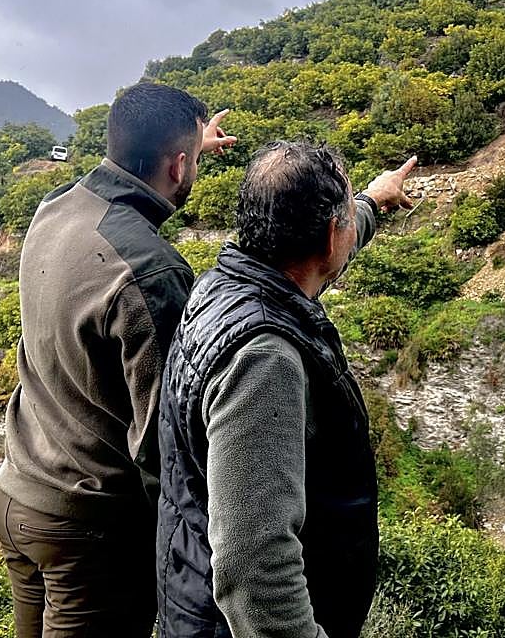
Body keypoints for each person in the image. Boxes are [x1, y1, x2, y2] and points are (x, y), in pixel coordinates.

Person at [0, 82, 236, 637]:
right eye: (191, 160)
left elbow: (120, 226)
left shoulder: (54, 208)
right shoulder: (150, 272)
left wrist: (187, 143)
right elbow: (164, 441)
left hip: (18, 495)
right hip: (87, 532)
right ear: (178, 167)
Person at [156, 140, 416, 638]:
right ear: (327, 237)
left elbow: (337, 239)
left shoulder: (224, 284)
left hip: (192, 588)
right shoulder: (263, 360)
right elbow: (255, 568)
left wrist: (374, 200)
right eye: (344, 218)